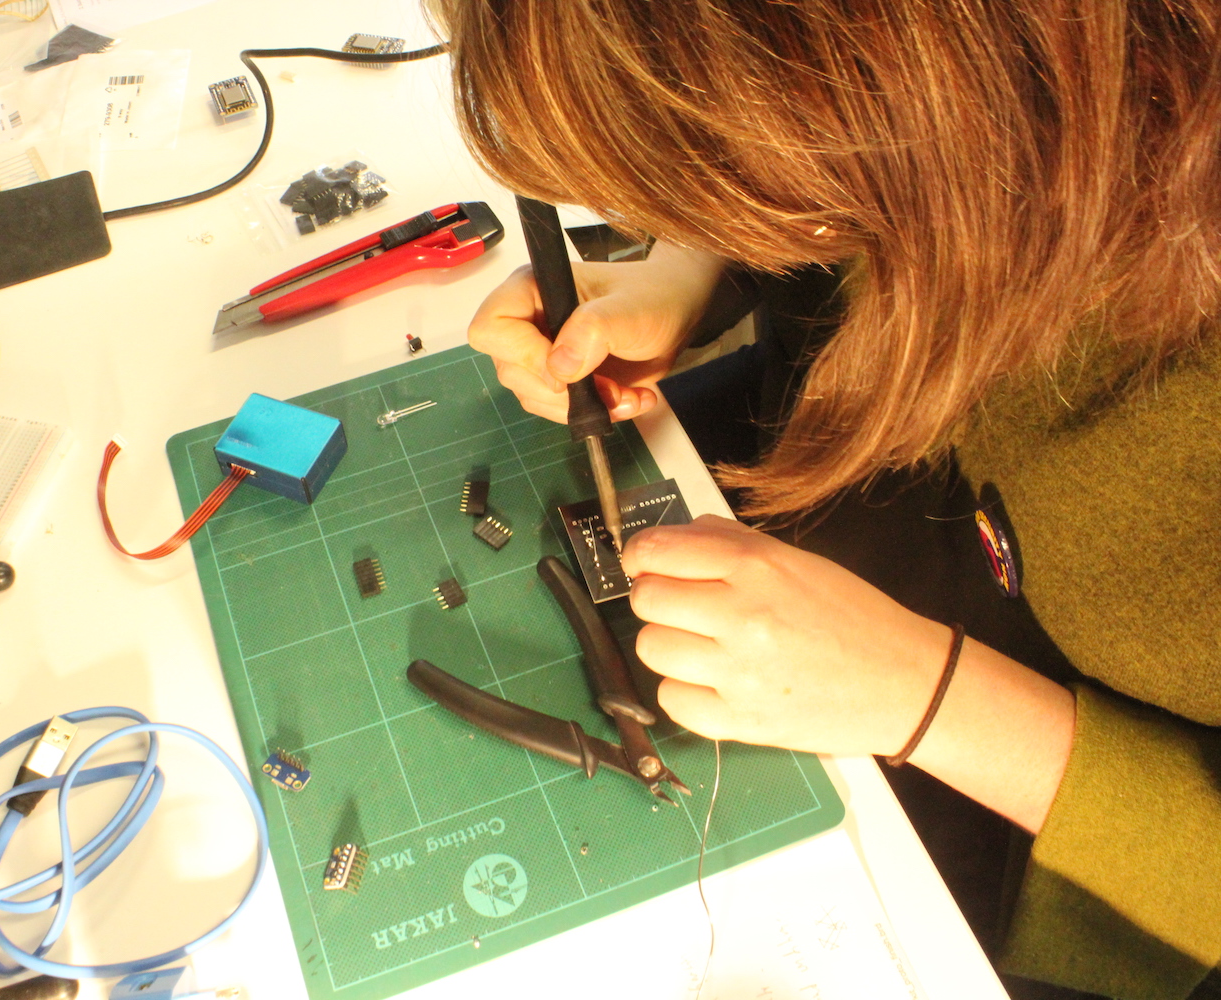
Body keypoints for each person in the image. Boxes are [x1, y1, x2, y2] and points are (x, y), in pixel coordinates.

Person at [431, 2, 1221, 999]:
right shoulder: (986, 88)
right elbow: (880, 171)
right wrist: (687, 270)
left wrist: (924, 694)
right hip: (862, 507)